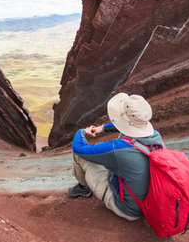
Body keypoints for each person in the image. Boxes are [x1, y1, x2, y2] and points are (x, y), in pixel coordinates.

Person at [68, 93, 164, 221]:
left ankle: (83, 188)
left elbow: (78, 148)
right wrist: (103, 128)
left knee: (80, 157)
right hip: (150, 203)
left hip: (128, 209)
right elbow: (129, 126)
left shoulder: (119, 149)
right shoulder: (155, 135)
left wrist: (81, 132)